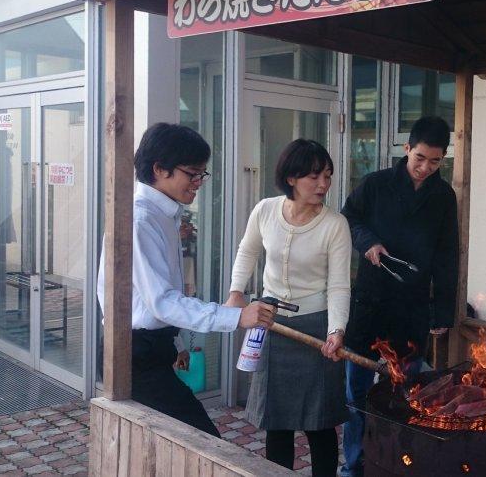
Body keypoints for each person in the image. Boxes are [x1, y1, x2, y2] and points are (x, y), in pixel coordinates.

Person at [97, 123, 275, 438]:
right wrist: (236, 316)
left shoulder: (164, 214)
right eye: (192, 174)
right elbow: (162, 301)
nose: (198, 183)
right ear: (160, 169)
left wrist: (175, 343)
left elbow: (152, 299)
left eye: (202, 175)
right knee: (202, 441)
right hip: (132, 354)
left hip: (151, 348)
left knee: (164, 443)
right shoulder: (140, 219)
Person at [340, 116, 459, 477]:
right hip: (371, 300)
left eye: (435, 161)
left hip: (412, 306)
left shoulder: (443, 196)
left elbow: (447, 255)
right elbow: (348, 219)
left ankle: (399, 464)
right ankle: (354, 466)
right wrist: (368, 243)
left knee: (409, 395)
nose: (425, 168)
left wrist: (443, 313)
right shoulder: (375, 184)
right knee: (356, 394)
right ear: (406, 149)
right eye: (420, 157)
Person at [227, 139, 351, 477]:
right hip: (271, 323)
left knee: (319, 422)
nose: (324, 184)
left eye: (328, 176)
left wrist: (336, 330)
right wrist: (236, 292)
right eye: (315, 177)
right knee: (277, 421)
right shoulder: (265, 209)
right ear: (292, 178)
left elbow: (340, 285)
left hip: (315, 327)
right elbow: (247, 251)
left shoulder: (334, 224)